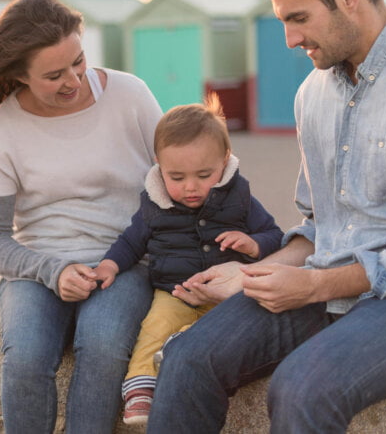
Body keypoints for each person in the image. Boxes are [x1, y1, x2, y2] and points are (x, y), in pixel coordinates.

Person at [146, 0, 386, 432]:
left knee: (300, 387)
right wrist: (257, 272)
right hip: (330, 286)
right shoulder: (312, 94)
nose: (288, 38)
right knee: (187, 356)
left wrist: (317, 285)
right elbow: (322, 224)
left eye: (298, 18)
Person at [0, 0, 163, 433]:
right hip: (38, 269)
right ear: (19, 73)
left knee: (102, 343)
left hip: (126, 261)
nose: (73, 80)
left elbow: (177, 177)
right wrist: (53, 271)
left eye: (78, 61)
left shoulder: (130, 95)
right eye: (54, 75)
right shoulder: (0, 131)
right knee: (25, 356)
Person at [91, 97, 283, 425]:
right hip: (173, 291)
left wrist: (252, 245)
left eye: (203, 175)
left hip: (226, 294)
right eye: (176, 177)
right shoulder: (155, 205)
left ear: (224, 160)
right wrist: (109, 265)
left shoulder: (240, 199)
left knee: (220, 332)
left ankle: (181, 350)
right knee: (154, 327)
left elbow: (275, 236)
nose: (190, 188)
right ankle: (140, 388)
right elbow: (131, 242)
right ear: (159, 165)